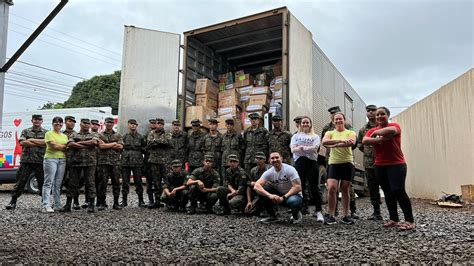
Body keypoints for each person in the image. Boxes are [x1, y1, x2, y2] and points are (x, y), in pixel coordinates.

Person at [362, 107, 415, 231]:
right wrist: (377, 138)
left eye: (382, 114)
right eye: (378, 115)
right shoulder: (372, 130)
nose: (379, 116)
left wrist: (375, 134)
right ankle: (394, 219)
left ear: (388, 115)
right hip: (380, 165)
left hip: (397, 164)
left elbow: (391, 131)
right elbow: (365, 141)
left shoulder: (394, 125)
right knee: (387, 192)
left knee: (398, 190)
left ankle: (409, 220)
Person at [6, 114, 47, 210]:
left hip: (40, 160)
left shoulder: (46, 132)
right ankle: (13, 201)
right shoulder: (26, 131)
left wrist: (31, 140)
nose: (37, 121)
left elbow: (46, 142)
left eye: (39, 120)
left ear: (42, 121)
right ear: (32, 120)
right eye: (35, 119)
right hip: (26, 161)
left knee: (42, 182)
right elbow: (22, 142)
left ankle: (45, 202)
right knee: (20, 181)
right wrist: (38, 142)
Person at [322, 112, 356, 225]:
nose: (338, 121)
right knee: (331, 187)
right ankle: (331, 215)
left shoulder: (350, 132)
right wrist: (340, 141)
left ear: (344, 120)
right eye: (336, 119)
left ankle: (345, 215)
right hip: (334, 163)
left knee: (345, 189)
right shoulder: (329, 132)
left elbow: (352, 142)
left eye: (340, 119)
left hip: (347, 163)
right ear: (333, 121)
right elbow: (324, 142)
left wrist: (335, 145)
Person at [59, 119, 99, 213]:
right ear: (80, 124)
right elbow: (70, 144)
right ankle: (68, 204)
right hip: (75, 162)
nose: (86, 125)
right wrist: (86, 145)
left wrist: (78, 143)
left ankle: (91, 204)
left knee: (90, 183)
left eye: (88, 123)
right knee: (72, 183)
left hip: (89, 162)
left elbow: (94, 143)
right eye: (84, 123)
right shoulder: (74, 134)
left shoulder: (94, 134)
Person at [290, 116, 324, 222]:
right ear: (300, 124)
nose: (305, 124)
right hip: (299, 163)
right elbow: (293, 149)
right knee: (299, 188)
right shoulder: (295, 136)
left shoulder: (315, 136)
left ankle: (318, 211)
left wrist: (302, 147)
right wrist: (306, 148)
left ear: (310, 124)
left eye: (307, 122)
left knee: (314, 188)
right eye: (303, 122)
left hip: (312, 163)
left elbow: (315, 149)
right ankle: (298, 211)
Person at [254, 152, 303, 224]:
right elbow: (256, 186)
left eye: (277, 157)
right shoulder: (269, 172)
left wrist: (284, 197)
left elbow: (298, 187)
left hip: (292, 195)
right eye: (272, 158)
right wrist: (269, 195)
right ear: (269, 161)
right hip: (278, 196)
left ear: (281, 159)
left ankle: (296, 215)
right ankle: (272, 216)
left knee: (293, 201)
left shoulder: (290, 169)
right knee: (263, 188)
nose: (275, 160)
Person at [357, 104, 382, 220]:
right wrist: (368, 152)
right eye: (368, 110)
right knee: (372, 187)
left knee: (387, 186)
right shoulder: (363, 130)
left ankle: (394, 214)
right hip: (369, 162)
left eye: (373, 110)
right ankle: (377, 212)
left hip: (383, 161)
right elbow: (359, 144)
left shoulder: (382, 126)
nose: (370, 112)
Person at [41, 117, 68, 212]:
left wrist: (61, 147)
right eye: (56, 122)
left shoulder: (64, 136)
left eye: (60, 122)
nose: (58, 124)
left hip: (62, 159)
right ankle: (46, 205)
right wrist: (64, 147)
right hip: (51, 159)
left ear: (62, 124)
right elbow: (54, 146)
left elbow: (61, 147)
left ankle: (57, 204)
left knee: (58, 184)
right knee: (48, 182)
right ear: (52, 124)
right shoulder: (48, 134)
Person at [97, 117, 123, 210]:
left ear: (113, 124)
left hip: (115, 163)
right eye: (108, 122)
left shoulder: (118, 135)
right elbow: (101, 146)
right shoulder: (99, 135)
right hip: (103, 162)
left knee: (116, 183)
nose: (109, 124)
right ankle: (102, 203)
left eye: (111, 122)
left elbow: (120, 147)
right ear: (105, 123)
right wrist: (113, 144)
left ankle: (116, 203)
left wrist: (107, 145)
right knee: (102, 183)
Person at [146, 118, 172, 208]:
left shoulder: (167, 133)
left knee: (167, 181)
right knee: (156, 182)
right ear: (155, 124)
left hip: (165, 161)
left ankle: (169, 201)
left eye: (161, 124)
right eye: (158, 124)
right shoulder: (151, 133)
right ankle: (157, 201)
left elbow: (168, 142)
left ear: (163, 125)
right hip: (154, 161)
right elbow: (149, 144)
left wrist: (156, 141)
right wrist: (160, 142)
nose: (160, 125)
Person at [121, 119, 146, 207]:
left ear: (137, 126)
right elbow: (120, 148)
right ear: (128, 125)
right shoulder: (124, 136)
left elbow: (144, 148)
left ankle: (141, 200)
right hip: (126, 162)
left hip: (137, 162)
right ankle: (124, 201)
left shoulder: (141, 137)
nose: (133, 125)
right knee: (125, 182)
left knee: (138, 182)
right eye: (131, 124)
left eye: (135, 124)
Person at [143, 118, 158, 207]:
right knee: (149, 181)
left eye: (154, 123)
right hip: (148, 160)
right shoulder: (146, 135)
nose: (153, 125)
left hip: (157, 161)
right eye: (151, 123)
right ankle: (150, 200)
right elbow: (144, 147)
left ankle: (157, 200)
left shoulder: (161, 134)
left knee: (157, 182)